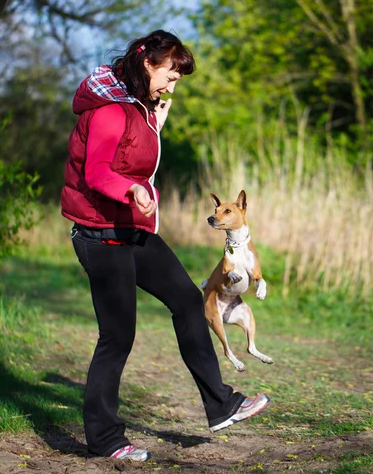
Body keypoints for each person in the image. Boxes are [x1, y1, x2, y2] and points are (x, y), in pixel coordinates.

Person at [61, 29, 270, 462]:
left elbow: (131, 153)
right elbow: (98, 173)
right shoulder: (110, 109)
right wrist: (132, 192)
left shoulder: (139, 107)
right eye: (170, 76)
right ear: (146, 64)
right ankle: (104, 440)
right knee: (117, 336)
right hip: (101, 235)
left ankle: (221, 404)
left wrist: (154, 125)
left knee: (189, 300)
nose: (172, 86)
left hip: (132, 231)